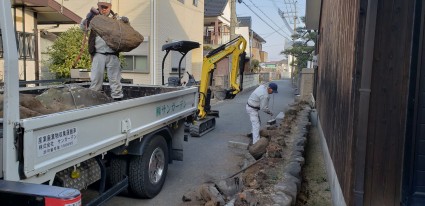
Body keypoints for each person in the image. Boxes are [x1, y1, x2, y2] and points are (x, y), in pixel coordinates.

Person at [80, 0, 129, 101]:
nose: (104, 9)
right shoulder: (94, 18)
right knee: (96, 79)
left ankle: (117, 98)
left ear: (110, 7)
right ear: (98, 7)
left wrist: (127, 21)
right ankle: (94, 98)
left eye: (106, 7)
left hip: (113, 54)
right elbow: (83, 28)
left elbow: (126, 30)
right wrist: (86, 20)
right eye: (102, 7)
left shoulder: (116, 19)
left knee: (115, 79)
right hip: (98, 54)